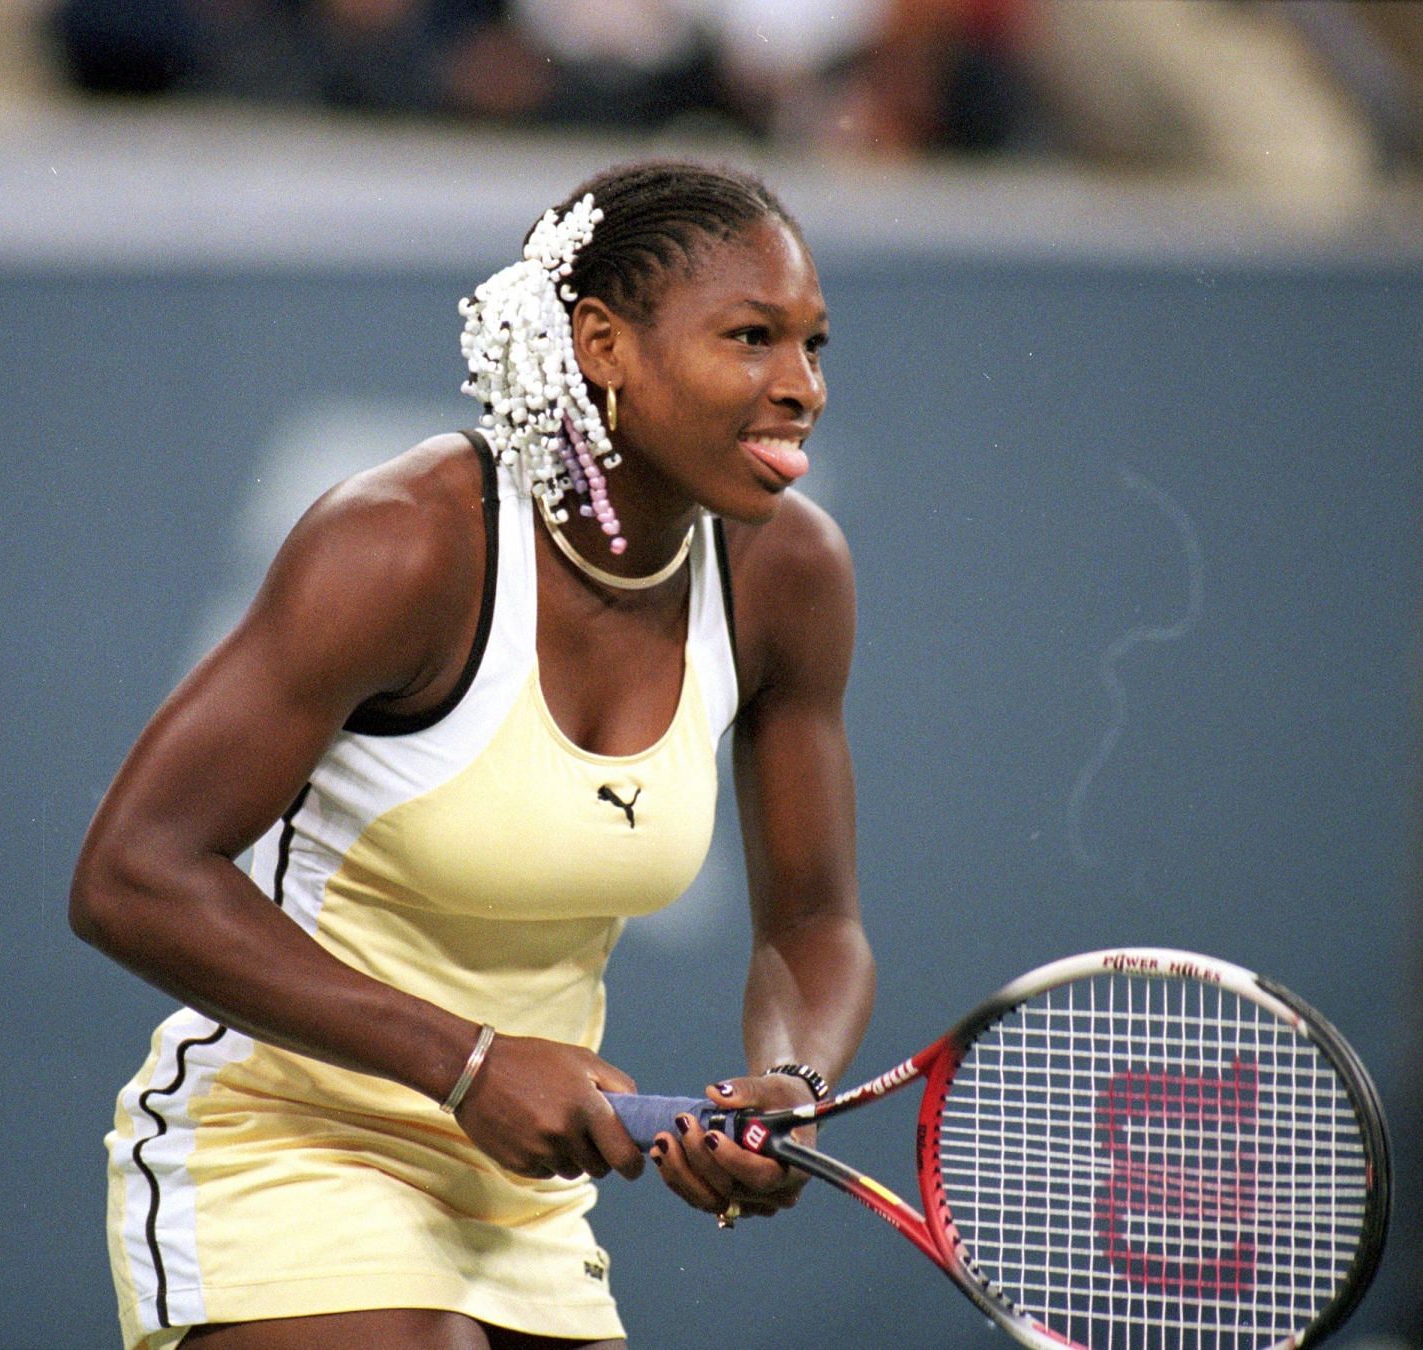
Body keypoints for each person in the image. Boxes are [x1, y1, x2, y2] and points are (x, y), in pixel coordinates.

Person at [70, 159, 875, 1350]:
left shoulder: (789, 576)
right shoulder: (401, 546)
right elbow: (132, 875)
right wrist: (465, 1063)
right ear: (603, 344)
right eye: (752, 338)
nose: (799, 386)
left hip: (520, 1197)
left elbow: (813, 925)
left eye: (814, 346)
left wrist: (788, 1086)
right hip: (285, 1145)